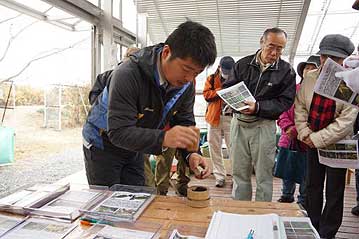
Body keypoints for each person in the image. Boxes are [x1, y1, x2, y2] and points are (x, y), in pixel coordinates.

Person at [82, 21, 216, 187]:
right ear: (166, 52)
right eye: (186, 69)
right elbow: (118, 132)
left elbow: (184, 121)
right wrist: (164, 138)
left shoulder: (185, 85)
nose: (189, 78)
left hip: (135, 145)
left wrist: (191, 154)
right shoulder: (128, 74)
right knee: (107, 203)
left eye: (197, 73)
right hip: (102, 144)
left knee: (138, 196)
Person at [223, 27, 296, 201]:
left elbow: (285, 102)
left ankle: (262, 215)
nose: (275, 52)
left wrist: (258, 107)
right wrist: (233, 102)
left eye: (280, 48)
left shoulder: (286, 71)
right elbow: (228, 88)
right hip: (239, 123)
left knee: (264, 175)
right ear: (262, 42)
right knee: (239, 173)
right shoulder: (242, 64)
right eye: (271, 46)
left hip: (264, 125)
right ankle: (241, 211)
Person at [295, 34, 357, 238]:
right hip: (311, 140)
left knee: (334, 191)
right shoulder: (310, 77)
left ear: (346, 59)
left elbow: (347, 120)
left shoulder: (353, 82)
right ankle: (312, 225)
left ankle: (327, 232)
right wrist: (305, 133)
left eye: (336, 58)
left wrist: (318, 138)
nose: (329, 61)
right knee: (312, 186)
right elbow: (301, 107)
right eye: (324, 56)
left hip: (338, 144)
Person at [277, 55, 320, 207]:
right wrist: (288, 127)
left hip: (308, 139)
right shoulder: (292, 89)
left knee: (306, 172)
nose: (309, 71)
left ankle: (303, 201)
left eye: (313, 68)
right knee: (287, 169)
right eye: (306, 68)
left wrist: (299, 129)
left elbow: (319, 116)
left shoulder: (321, 92)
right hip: (288, 137)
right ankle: (286, 196)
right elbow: (282, 110)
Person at [203, 56, 235, 187]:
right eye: (225, 70)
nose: (227, 73)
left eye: (229, 71)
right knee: (214, 148)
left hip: (230, 118)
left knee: (233, 148)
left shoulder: (236, 78)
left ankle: (235, 176)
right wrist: (221, 91)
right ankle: (219, 176)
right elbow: (206, 95)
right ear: (219, 67)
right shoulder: (211, 78)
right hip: (214, 118)